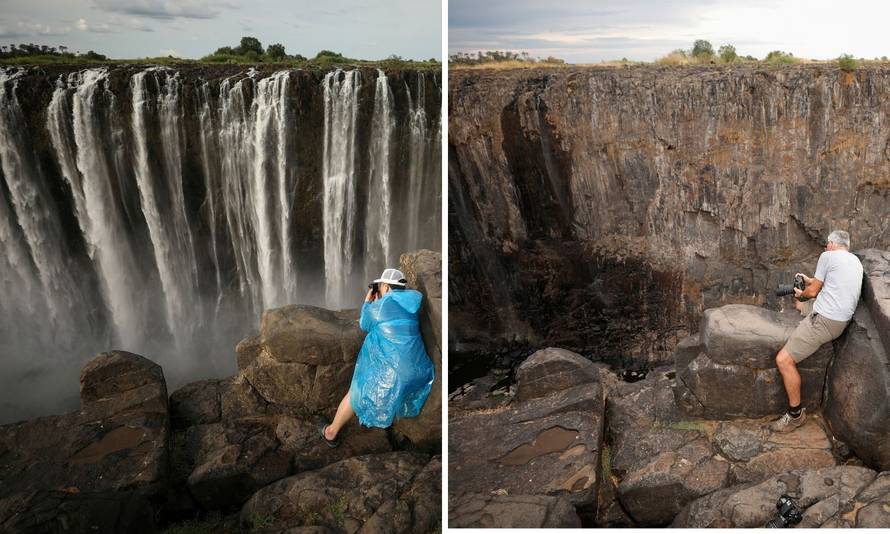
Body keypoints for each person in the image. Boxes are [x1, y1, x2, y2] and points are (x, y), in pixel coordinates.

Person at [320, 268, 435, 446]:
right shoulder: (412, 305)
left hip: (396, 376)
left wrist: (368, 302)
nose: (378, 290)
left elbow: (364, 324)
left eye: (379, 286)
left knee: (356, 391)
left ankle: (331, 432)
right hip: (421, 373)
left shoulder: (379, 307)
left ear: (386, 287)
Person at [770, 230, 863, 432]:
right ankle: (800, 300)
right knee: (799, 305)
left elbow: (812, 292)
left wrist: (801, 294)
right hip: (840, 319)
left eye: (826, 244)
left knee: (783, 360)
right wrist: (807, 280)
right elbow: (826, 283)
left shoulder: (827, 256)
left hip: (824, 320)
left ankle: (795, 415)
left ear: (831, 243)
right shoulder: (854, 260)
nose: (826, 247)